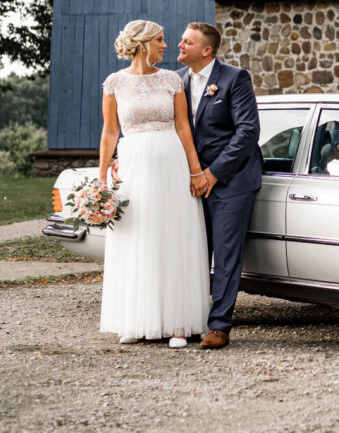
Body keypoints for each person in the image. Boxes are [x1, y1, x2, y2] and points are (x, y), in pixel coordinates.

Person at [98, 20, 210, 349]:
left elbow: (183, 128)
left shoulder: (172, 80)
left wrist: (194, 171)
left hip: (171, 165)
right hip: (133, 166)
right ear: (144, 43)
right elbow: (109, 132)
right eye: (160, 40)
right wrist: (102, 174)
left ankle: (178, 324)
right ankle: (135, 320)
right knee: (138, 238)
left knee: (172, 238)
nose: (166, 45)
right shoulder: (113, 83)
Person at [178, 22, 262, 350]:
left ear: (206, 50)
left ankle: (219, 325)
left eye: (188, 41)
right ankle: (190, 318)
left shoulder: (234, 79)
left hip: (233, 179)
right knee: (195, 252)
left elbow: (247, 133)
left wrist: (212, 174)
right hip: (194, 181)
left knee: (225, 254)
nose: (180, 45)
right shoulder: (178, 82)